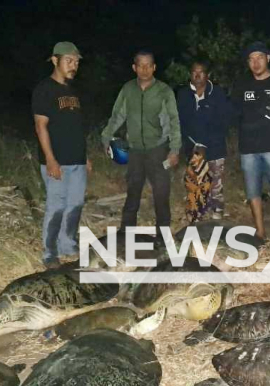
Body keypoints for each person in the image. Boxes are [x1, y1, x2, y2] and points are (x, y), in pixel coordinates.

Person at [101, 50, 181, 243]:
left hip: (158, 150)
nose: (145, 69)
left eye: (149, 65)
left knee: (161, 194)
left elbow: (173, 121)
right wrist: (106, 137)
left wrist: (174, 149)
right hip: (135, 150)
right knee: (133, 192)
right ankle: (124, 234)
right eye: (140, 65)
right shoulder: (128, 89)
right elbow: (117, 115)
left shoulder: (164, 91)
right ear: (134, 67)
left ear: (154, 67)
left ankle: (162, 237)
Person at [32, 41, 91, 269]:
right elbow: (41, 127)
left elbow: (75, 127)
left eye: (76, 61)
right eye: (69, 61)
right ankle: (49, 252)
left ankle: (68, 244)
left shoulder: (73, 91)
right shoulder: (44, 89)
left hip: (77, 160)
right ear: (55, 60)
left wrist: (85, 157)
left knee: (75, 203)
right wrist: (50, 159)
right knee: (56, 206)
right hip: (56, 161)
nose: (73, 65)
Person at [233, 41, 270, 243]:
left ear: (268, 58)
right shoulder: (241, 84)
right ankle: (260, 232)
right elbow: (234, 112)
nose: (256, 62)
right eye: (251, 59)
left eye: (259, 57)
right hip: (248, 148)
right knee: (252, 191)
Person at [176, 60, 233, 220]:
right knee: (195, 182)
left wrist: (206, 143)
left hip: (215, 146)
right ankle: (197, 212)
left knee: (216, 182)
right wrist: (194, 144)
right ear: (190, 74)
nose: (197, 75)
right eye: (194, 71)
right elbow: (181, 121)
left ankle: (217, 211)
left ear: (207, 75)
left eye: (201, 72)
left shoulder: (218, 93)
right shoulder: (183, 94)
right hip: (193, 146)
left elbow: (224, 121)